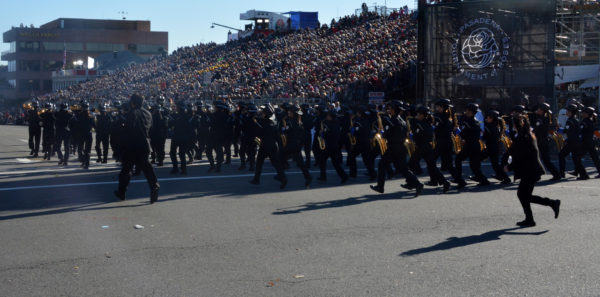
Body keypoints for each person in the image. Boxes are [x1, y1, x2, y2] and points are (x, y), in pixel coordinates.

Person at [505, 114, 560, 227]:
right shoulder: (527, 134)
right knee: (524, 195)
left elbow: (520, 155)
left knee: (522, 195)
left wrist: (509, 167)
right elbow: (517, 151)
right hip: (531, 169)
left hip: (530, 170)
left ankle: (550, 204)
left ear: (515, 125)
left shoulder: (522, 136)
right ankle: (531, 218)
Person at [370, 101, 423, 197]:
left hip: (393, 147)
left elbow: (386, 134)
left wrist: (382, 132)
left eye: (390, 108)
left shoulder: (390, 121)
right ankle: (417, 184)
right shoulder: (402, 120)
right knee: (403, 168)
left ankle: (380, 186)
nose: (388, 110)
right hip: (401, 147)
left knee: (382, 165)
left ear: (394, 109)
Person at [114, 94, 160, 204]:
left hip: (132, 145)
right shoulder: (148, 113)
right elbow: (150, 129)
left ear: (133, 102)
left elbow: (128, 130)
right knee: (147, 168)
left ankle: (122, 192)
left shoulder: (132, 113)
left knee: (126, 169)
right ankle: (154, 186)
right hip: (145, 144)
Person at [410, 105, 451, 192]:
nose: (416, 115)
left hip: (423, 147)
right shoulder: (425, 122)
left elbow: (415, 127)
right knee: (432, 167)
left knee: (410, 164)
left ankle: (413, 183)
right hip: (427, 147)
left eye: (418, 114)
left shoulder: (421, 123)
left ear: (422, 115)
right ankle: (445, 183)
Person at [249, 103, 288, 189]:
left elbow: (258, 133)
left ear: (266, 113)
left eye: (263, 112)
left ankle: (256, 179)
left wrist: (256, 120)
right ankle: (283, 178)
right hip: (273, 145)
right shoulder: (274, 121)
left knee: (259, 162)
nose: (261, 113)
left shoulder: (263, 122)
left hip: (265, 146)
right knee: (276, 164)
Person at [455, 103, 489, 188]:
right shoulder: (474, 121)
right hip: (475, 146)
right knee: (473, 165)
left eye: (467, 110)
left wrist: (457, 131)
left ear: (471, 112)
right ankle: (484, 180)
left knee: (458, 159)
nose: (465, 112)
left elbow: (464, 134)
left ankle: (460, 181)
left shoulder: (469, 122)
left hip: (470, 146)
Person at [281, 105, 312, 188]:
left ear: (293, 113)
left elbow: (287, 131)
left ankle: (282, 177)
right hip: (297, 145)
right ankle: (308, 177)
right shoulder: (299, 122)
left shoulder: (291, 122)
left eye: (290, 112)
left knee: (279, 159)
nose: (288, 113)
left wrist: (284, 129)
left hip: (291, 145)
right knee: (301, 163)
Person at [317, 110, 349, 184]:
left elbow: (326, 134)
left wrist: (322, 134)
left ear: (330, 116)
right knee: (334, 163)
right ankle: (343, 176)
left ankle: (324, 176)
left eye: (328, 115)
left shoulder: (328, 124)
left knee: (323, 160)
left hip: (329, 146)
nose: (327, 116)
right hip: (334, 145)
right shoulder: (337, 123)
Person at [531, 103, 561, 181]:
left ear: (542, 110)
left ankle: (554, 174)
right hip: (543, 140)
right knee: (542, 159)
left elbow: (535, 129)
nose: (537, 111)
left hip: (540, 141)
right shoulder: (545, 117)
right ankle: (553, 174)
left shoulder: (540, 119)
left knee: (540, 158)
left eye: (539, 109)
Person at [558, 104, 588, 180]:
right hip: (576, 142)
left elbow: (566, 130)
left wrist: (559, 130)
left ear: (571, 112)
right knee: (576, 158)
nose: (566, 112)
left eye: (567, 111)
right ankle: (583, 174)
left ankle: (561, 173)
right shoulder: (576, 120)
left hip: (572, 142)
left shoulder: (569, 121)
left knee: (561, 155)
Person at [482, 110, 511, 184]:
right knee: (495, 164)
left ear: (492, 118)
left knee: (476, 160)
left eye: (487, 117)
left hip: (491, 148)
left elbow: (486, 137)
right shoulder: (494, 126)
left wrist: (481, 136)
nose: (486, 118)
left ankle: (480, 177)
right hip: (493, 147)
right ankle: (503, 177)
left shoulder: (491, 127)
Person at [580, 107, 600, 178]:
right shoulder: (591, 121)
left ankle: (582, 174)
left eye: (583, 112)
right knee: (595, 158)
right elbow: (596, 132)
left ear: (587, 114)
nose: (582, 113)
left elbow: (581, 131)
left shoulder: (585, 121)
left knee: (577, 157)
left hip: (586, 142)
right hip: (591, 142)